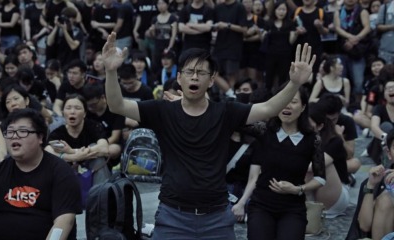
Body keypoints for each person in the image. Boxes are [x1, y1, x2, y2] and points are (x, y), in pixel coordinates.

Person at [103, 31, 316, 239]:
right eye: (189, 71)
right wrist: (111, 72)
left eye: (201, 72)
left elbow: (268, 109)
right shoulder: (161, 110)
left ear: (212, 80)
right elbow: (116, 105)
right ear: (179, 77)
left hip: (217, 218)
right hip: (172, 217)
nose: (195, 76)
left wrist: (294, 83)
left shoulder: (226, 112)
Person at [232, 87, 325, 240]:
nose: (287, 105)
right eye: (283, 101)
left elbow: (321, 178)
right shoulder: (265, 131)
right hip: (261, 205)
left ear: (302, 107)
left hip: (293, 208)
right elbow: (235, 119)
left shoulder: (312, 139)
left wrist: (298, 189)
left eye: (293, 101)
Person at [0, 108, 82, 239]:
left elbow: (64, 221)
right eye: (10, 132)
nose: (14, 136)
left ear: (40, 137)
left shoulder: (61, 172)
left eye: (23, 131)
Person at [45, 94, 111, 185]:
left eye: (77, 108)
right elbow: (47, 151)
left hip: (92, 170)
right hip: (67, 174)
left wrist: (72, 151)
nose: (72, 111)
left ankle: (100, 194)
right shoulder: (58, 132)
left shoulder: (94, 126)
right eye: (68, 108)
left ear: (84, 113)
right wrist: (72, 157)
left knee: (97, 154)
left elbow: (104, 149)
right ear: (63, 112)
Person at [346, 129, 394, 240]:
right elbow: (364, 226)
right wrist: (371, 185)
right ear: (389, 153)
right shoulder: (380, 180)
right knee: (385, 199)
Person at [307, 102, 350, 218]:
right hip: (312, 190)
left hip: (337, 193)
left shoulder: (334, 141)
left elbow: (313, 166)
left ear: (320, 126)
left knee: (319, 165)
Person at [0, 84, 52, 162]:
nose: (13, 104)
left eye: (16, 99)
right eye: (8, 102)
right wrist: (2, 164)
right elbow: (1, 152)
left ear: (26, 101)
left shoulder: (39, 122)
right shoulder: (2, 127)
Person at [82, 83, 124, 170]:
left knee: (112, 150)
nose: (90, 108)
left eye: (93, 105)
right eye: (88, 106)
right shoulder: (87, 111)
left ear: (102, 97)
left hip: (111, 143)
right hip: (90, 143)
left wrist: (98, 147)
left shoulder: (116, 110)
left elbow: (115, 137)